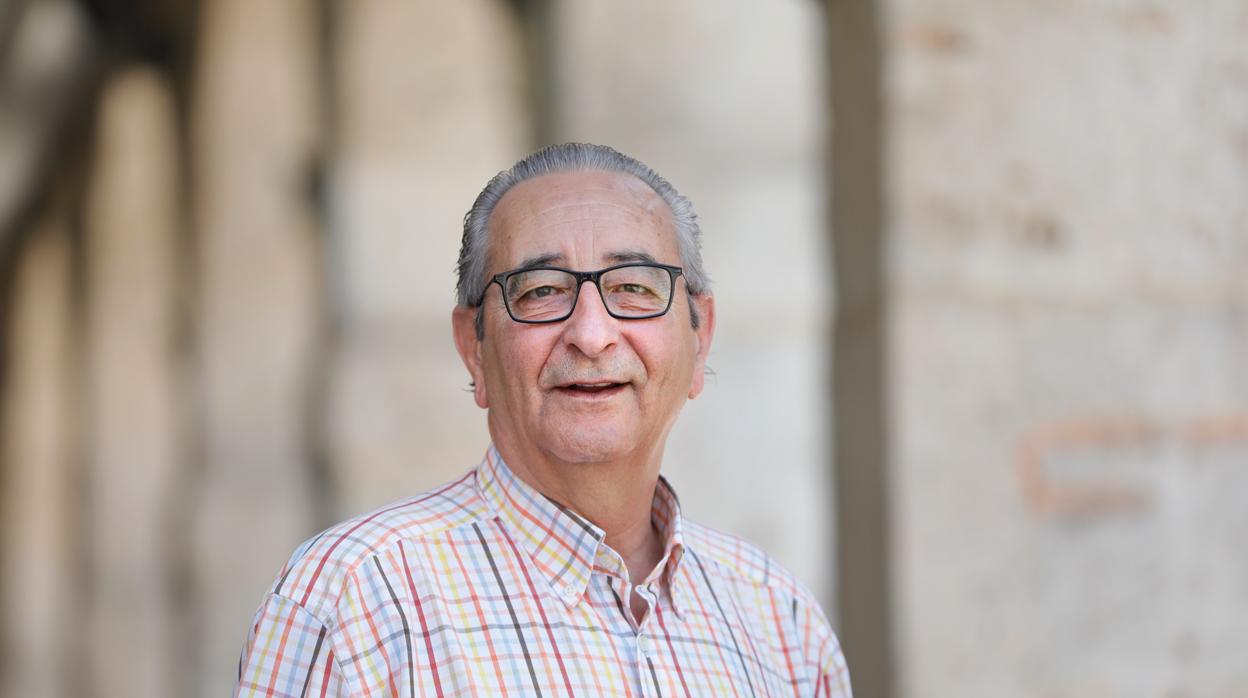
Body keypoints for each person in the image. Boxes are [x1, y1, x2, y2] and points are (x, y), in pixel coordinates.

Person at [234, 143, 852, 697]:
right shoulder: (354, 601)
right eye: (541, 291)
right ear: (473, 346)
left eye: (635, 287)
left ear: (700, 336)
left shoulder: (780, 620)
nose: (590, 334)